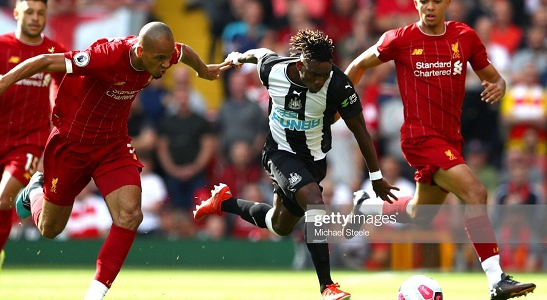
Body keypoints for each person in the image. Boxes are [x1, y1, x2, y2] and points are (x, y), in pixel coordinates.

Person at [0, 21, 230, 300]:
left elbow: (184, 51)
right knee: (50, 229)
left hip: (112, 145)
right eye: (159, 59)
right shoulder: (106, 55)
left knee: (130, 215)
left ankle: (95, 295)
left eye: (168, 58)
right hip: (71, 144)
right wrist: (4, 81)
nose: (166, 65)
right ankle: (35, 189)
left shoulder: (161, 51)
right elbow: (45, 60)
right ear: (140, 51)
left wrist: (203, 69)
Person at [343, 1, 536, 299]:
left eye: (437, 0)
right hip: (420, 138)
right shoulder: (400, 38)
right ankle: (497, 280)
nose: (430, 6)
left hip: (450, 140)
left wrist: (500, 85)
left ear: (447, 2)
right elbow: (358, 66)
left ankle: (366, 204)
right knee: (476, 193)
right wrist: (340, 104)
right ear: (416, 3)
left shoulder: (465, 37)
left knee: (420, 213)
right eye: (424, 0)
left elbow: (494, 76)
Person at [193, 29, 398, 300]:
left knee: (279, 225)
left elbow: (360, 129)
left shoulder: (337, 84)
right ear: (300, 65)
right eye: (314, 74)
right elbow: (260, 55)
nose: (319, 80)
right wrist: (239, 58)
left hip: (314, 160)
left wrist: (375, 176)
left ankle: (224, 202)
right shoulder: (274, 71)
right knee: (314, 200)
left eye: (324, 74)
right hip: (279, 152)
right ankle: (327, 286)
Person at [0, 1, 66, 299]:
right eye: (29, 12)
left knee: (5, 200)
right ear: (17, 13)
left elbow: (62, 85)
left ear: (46, 16)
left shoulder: (54, 51)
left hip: (31, 140)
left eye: (40, 13)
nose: (35, 18)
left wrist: (58, 110)